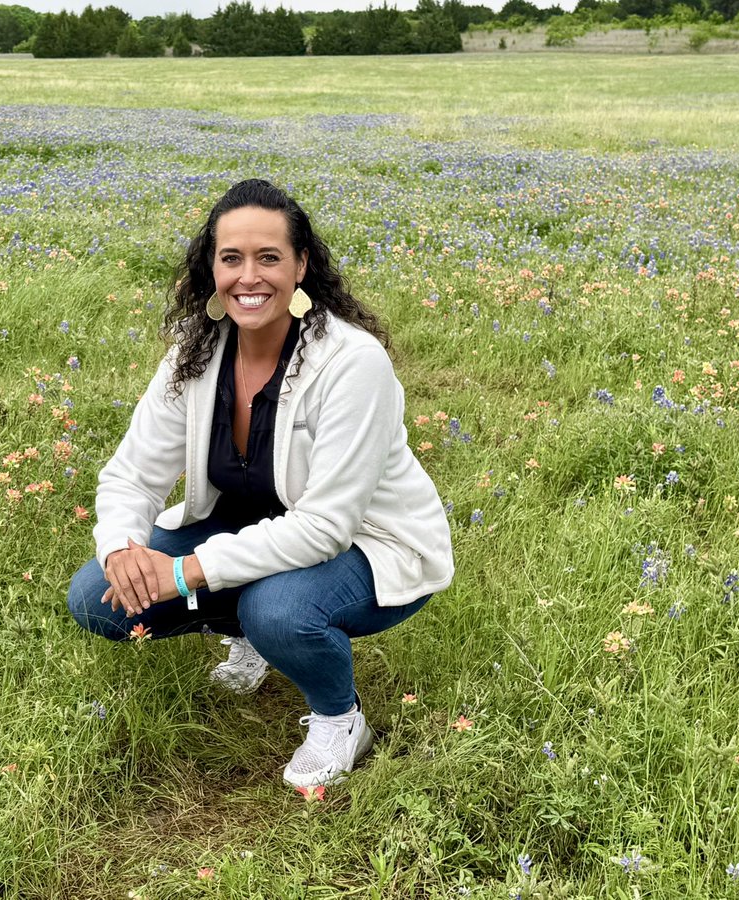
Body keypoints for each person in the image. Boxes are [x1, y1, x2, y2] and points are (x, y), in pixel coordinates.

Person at [67, 179, 454, 788]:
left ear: (301, 265)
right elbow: (132, 474)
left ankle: (338, 718)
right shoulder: (194, 355)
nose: (250, 277)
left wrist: (181, 573)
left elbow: (325, 528)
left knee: (275, 607)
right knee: (96, 598)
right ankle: (244, 630)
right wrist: (121, 548)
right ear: (211, 270)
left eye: (269, 258)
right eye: (232, 259)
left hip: (368, 544)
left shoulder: (352, 363)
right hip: (245, 529)